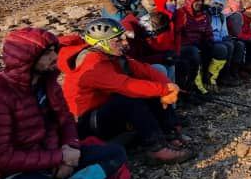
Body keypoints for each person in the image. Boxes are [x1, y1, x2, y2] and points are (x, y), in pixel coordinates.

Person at [0, 28, 133, 179]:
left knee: (115, 153)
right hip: (5, 176)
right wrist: (59, 158)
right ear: (25, 58)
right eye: (46, 53)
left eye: (54, 50)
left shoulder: (47, 84)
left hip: (48, 159)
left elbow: (65, 120)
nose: (54, 57)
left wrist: (70, 150)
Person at [58, 18, 193, 163]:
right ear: (101, 43)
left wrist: (168, 86)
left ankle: (169, 132)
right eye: (117, 40)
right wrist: (164, 89)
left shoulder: (109, 54)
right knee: (129, 99)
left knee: (151, 89)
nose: (124, 43)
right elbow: (126, 86)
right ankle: (157, 149)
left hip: (103, 111)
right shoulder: (91, 65)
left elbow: (143, 69)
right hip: (86, 122)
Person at [176, 0, 232, 94]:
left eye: (201, 1)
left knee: (220, 50)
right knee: (194, 53)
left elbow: (208, 31)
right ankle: (197, 86)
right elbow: (178, 34)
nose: (200, 3)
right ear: (190, 0)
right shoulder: (181, 13)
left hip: (199, 44)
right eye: (197, 0)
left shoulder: (203, 15)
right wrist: (192, 44)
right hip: (185, 45)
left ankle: (209, 79)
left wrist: (209, 42)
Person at [208, 0, 242, 87]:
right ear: (211, 3)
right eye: (216, 3)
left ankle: (230, 73)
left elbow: (224, 32)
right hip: (209, 41)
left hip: (219, 40)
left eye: (220, 5)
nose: (217, 6)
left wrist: (228, 38)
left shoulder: (222, 17)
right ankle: (220, 76)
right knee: (224, 47)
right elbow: (207, 32)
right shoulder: (207, 15)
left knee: (236, 44)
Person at [225, 0, 251, 75]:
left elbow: (246, 30)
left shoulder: (241, 15)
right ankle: (242, 67)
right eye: (236, 0)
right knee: (243, 44)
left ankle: (249, 64)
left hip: (237, 36)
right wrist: (249, 37)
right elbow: (235, 31)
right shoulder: (230, 13)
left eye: (239, 0)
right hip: (231, 37)